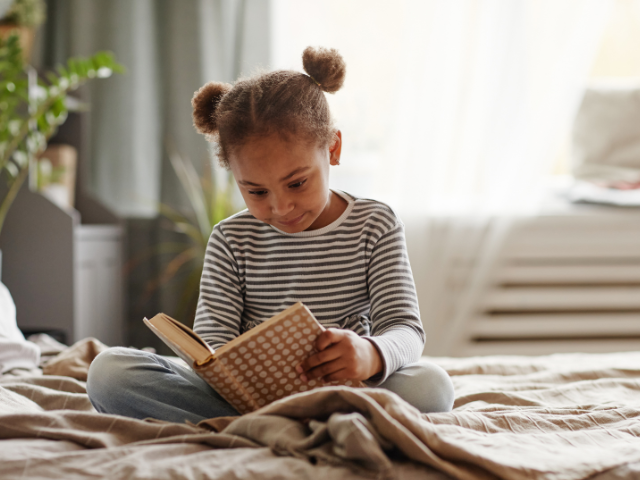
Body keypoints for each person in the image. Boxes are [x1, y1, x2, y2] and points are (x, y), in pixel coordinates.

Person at [87, 46, 454, 424]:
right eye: (257, 192)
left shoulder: (375, 224)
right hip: (246, 398)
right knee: (109, 372)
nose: (281, 208)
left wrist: (370, 354)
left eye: (297, 183)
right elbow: (212, 345)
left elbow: (405, 329)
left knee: (430, 387)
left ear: (333, 148)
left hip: (346, 388)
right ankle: (297, 423)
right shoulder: (230, 240)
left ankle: (260, 425)